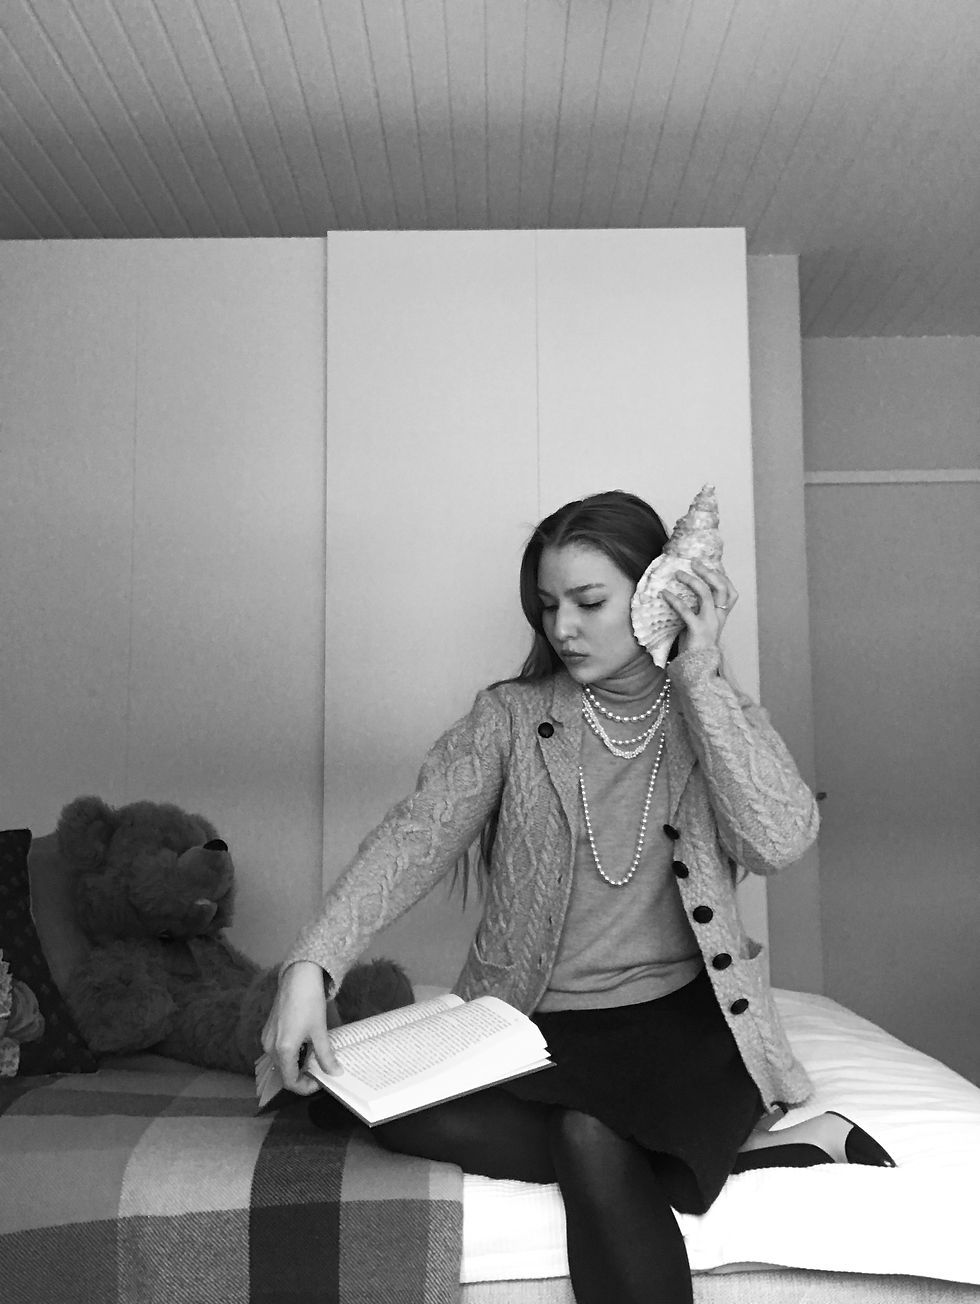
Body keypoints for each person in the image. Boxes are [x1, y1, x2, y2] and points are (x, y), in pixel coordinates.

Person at [263, 490, 894, 1304]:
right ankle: (736, 1152)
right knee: (344, 1098)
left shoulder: (712, 714)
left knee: (589, 1132)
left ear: (657, 593)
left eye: (589, 602)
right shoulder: (509, 718)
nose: (562, 627)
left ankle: (647, 1143)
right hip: (536, 1028)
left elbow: (779, 839)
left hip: (681, 1020)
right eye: (548, 604)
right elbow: (412, 839)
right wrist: (311, 965)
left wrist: (700, 676)